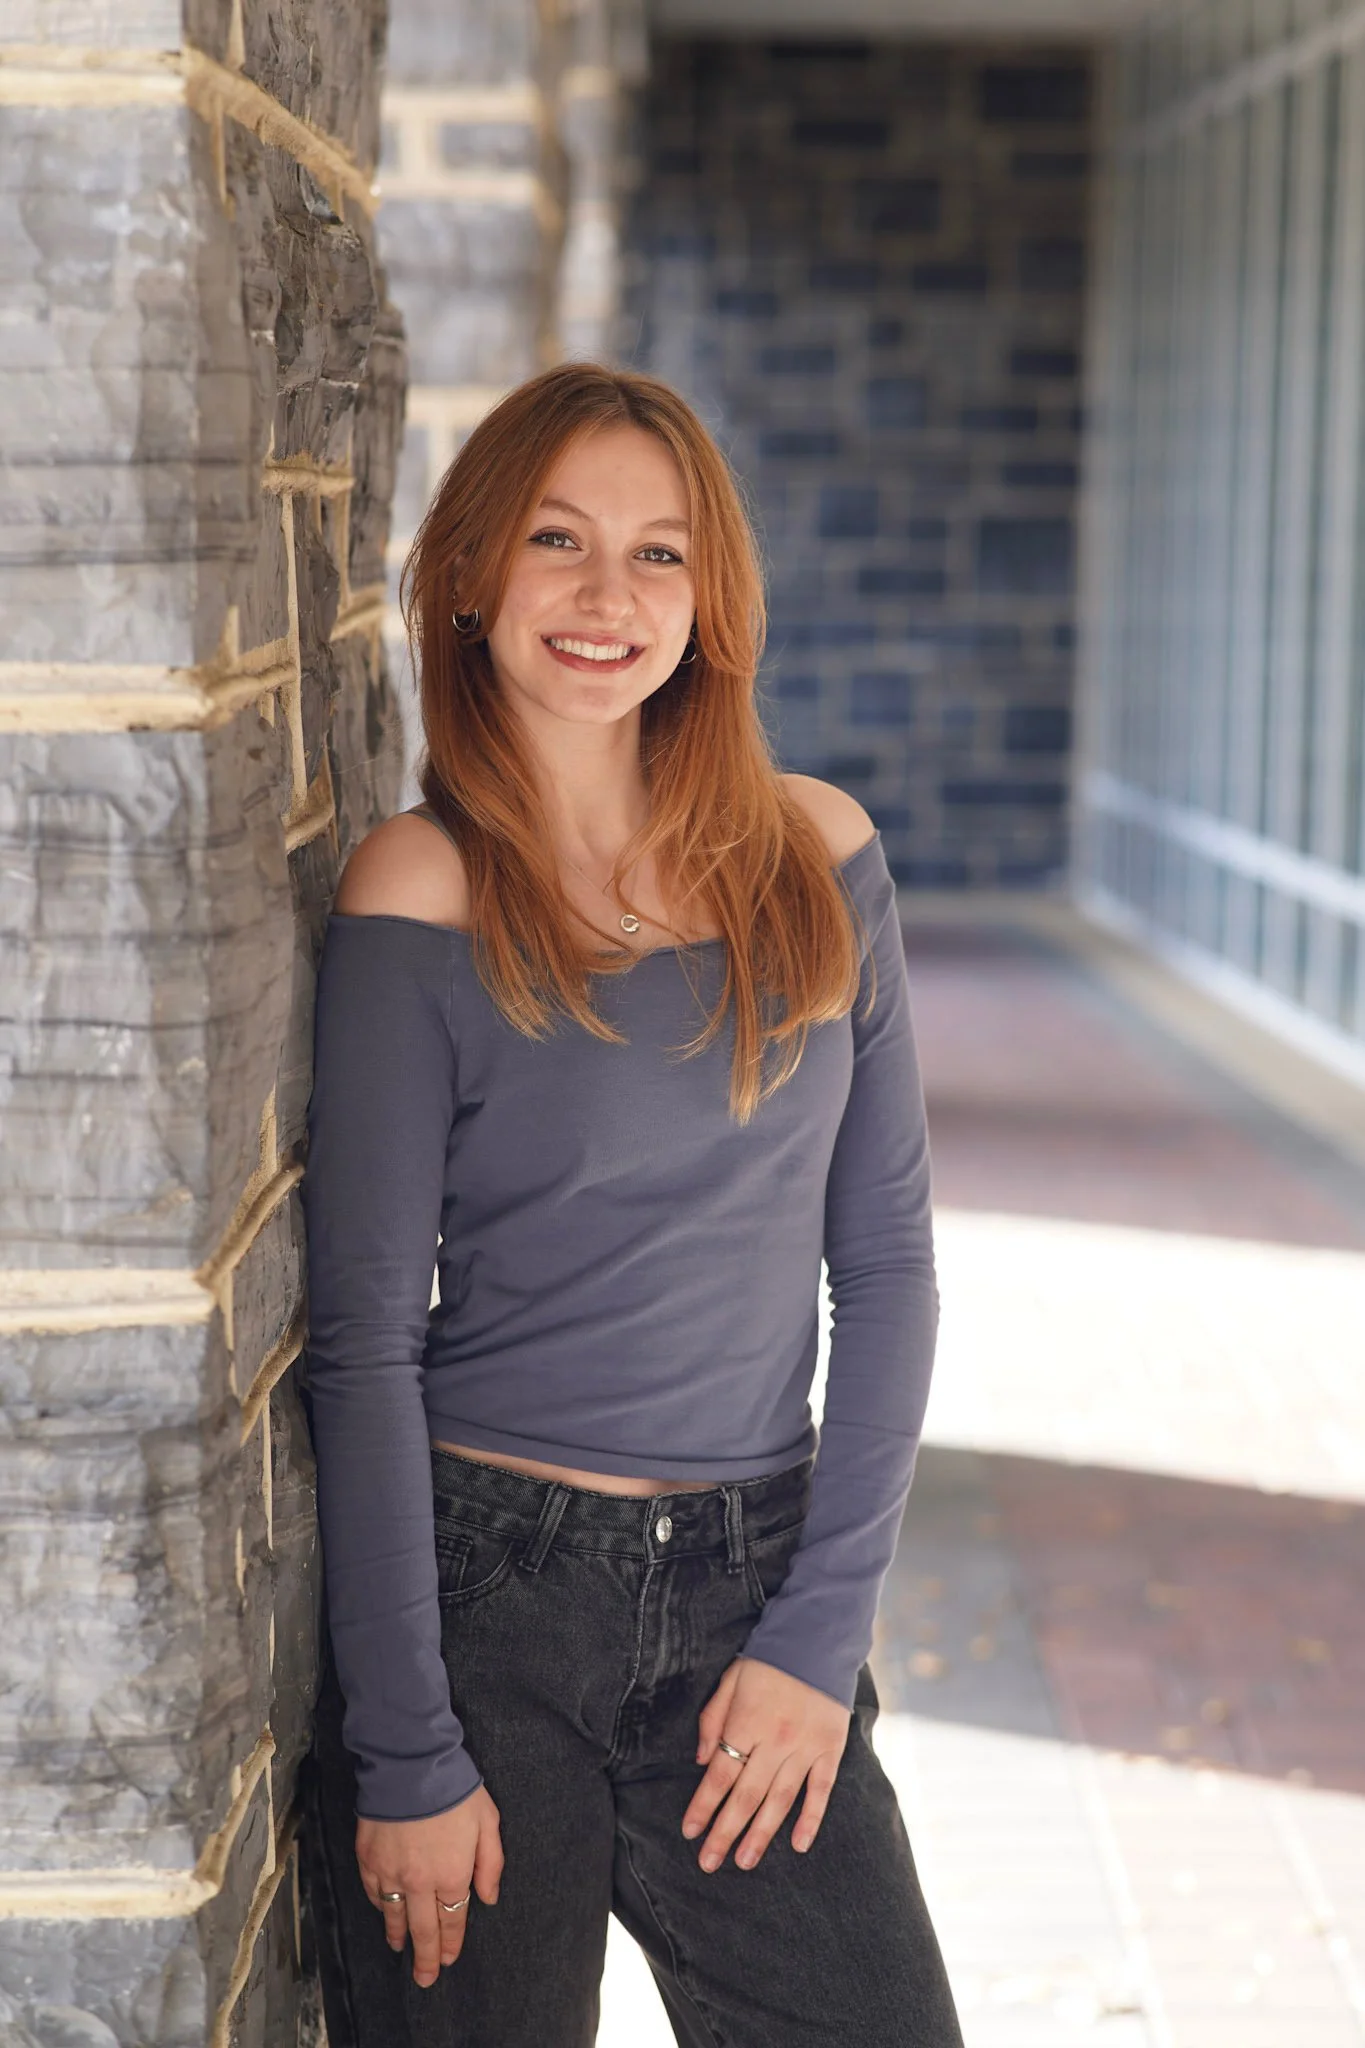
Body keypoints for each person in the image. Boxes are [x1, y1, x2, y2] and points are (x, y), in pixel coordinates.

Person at [297, 360, 963, 2048]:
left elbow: (883, 1271)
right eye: (559, 541)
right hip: (489, 1599)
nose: (608, 599)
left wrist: (822, 1640)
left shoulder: (819, 861)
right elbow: (365, 1342)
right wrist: (408, 1749)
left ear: (713, 597)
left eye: (659, 555)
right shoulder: (423, 885)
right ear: (470, 576)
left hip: (757, 1592)